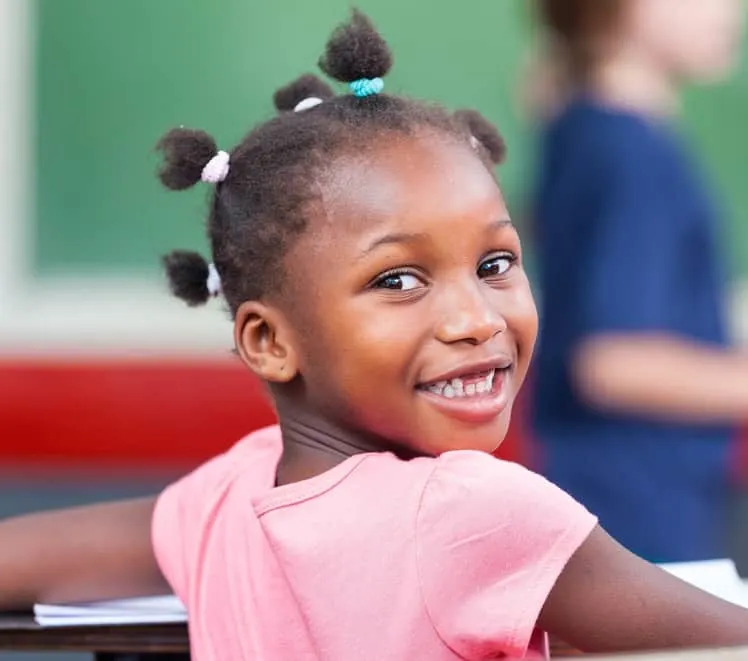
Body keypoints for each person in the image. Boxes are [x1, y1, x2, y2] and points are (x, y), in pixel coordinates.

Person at [2, 11, 748, 660]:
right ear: (267, 340)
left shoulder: (228, 494)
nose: (476, 319)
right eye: (398, 280)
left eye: (496, 263)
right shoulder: (477, 511)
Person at [529, 0, 748, 563]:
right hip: (644, 509)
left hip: (615, 500)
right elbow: (612, 362)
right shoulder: (631, 154)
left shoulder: (582, 125)